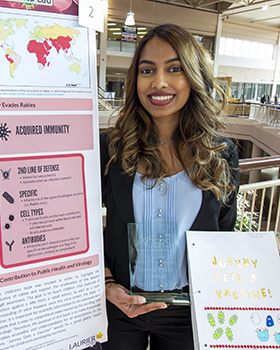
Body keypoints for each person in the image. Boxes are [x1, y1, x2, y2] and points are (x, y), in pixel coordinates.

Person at [100, 23, 239, 350]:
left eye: (174, 68)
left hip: (189, 310)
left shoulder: (221, 154)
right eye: (148, 70)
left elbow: (223, 234)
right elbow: (82, 227)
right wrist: (106, 283)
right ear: (135, 80)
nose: (159, 82)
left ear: (194, 76)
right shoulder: (112, 149)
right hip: (119, 304)